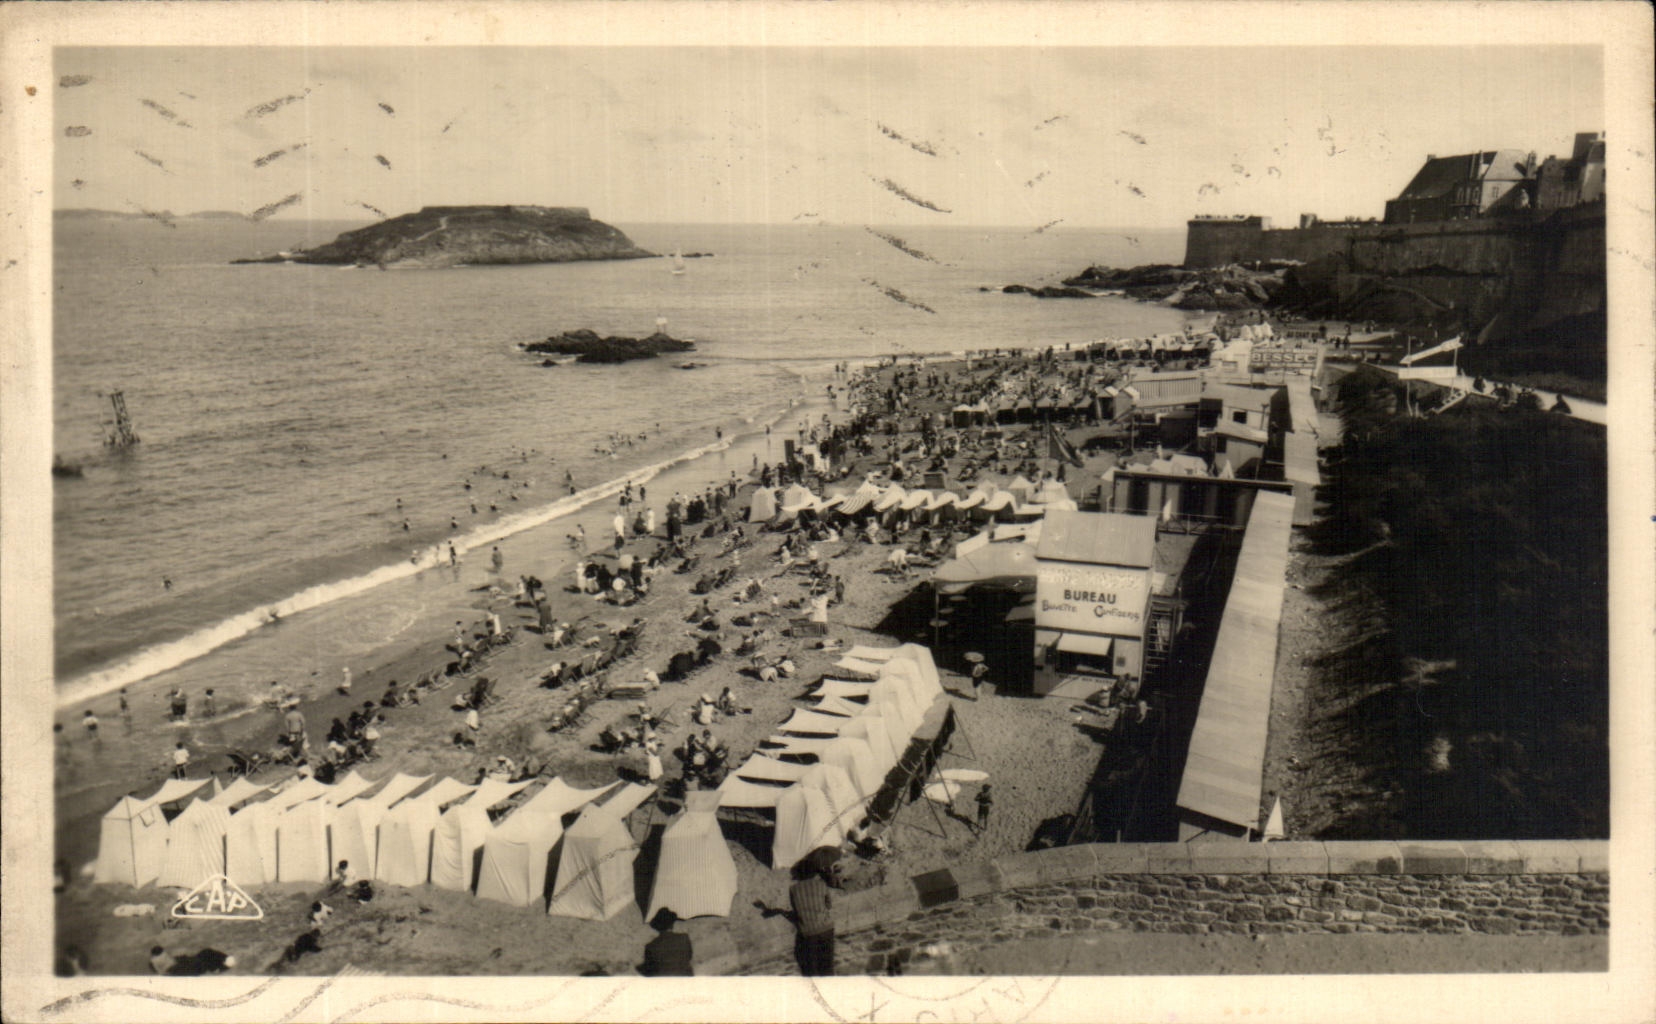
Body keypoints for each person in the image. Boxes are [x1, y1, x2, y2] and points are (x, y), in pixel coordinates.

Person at [789, 864, 836, 976]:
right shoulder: (821, 884)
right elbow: (829, 905)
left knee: (812, 969)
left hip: (808, 932)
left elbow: (795, 910)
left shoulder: (793, 889)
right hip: (826, 928)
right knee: (827, 966)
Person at [640, 908, 693, 976]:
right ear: (672, 924)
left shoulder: (651, 946)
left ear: (657, 927)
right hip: (685, 978)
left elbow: (650, 971)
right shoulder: (684, 938)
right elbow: (689, 957)